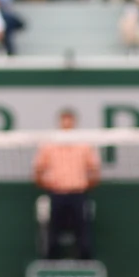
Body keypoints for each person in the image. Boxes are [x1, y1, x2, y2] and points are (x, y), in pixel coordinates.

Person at [33, 110, 100, 260]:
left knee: (83, 231)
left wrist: (85, 185)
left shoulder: (84, 144)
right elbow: (37, 170)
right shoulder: (48, 144)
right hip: (56, 194)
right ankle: (50, 266)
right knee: (52, 232)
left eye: (70, 121)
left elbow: (95, 170)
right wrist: (47, 184)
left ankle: (85, 265)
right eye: (64, 121)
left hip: (78, 194)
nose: (67, 125)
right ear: (60, 122)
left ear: (74, 123)